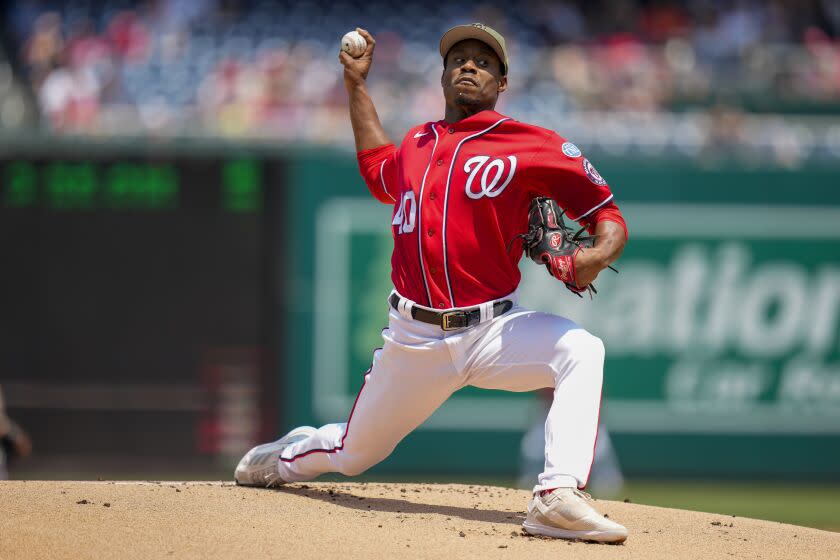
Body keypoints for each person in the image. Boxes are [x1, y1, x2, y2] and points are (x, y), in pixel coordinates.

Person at [235, 23, 629, 543]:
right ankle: (281, 460)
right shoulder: (419, 142)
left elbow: (607, 212)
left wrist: (598, 254)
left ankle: (555, 496)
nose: (469, 65)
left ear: (502, 82)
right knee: (352, 455)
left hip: (492, 330)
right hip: (413, 339)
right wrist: (356, 86)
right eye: (459, 58)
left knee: (580, 349)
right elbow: (377, 166)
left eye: (483, 61)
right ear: (443, 74)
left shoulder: (530, 144)